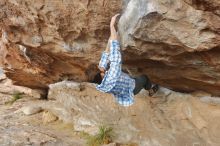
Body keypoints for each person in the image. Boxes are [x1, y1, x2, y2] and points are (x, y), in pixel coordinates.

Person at [93, 14, 159, 106]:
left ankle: (135, 80)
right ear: (103, 78)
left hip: (124, 86)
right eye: (102, 73)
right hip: (133, 88)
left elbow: (107, 51)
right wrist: (111, 25)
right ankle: (150, 90)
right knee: (143, 78)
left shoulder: (103, 84)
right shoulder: (111, 77)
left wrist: (113, 33)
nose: (103, 71)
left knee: (129, 75)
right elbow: (115, 50)